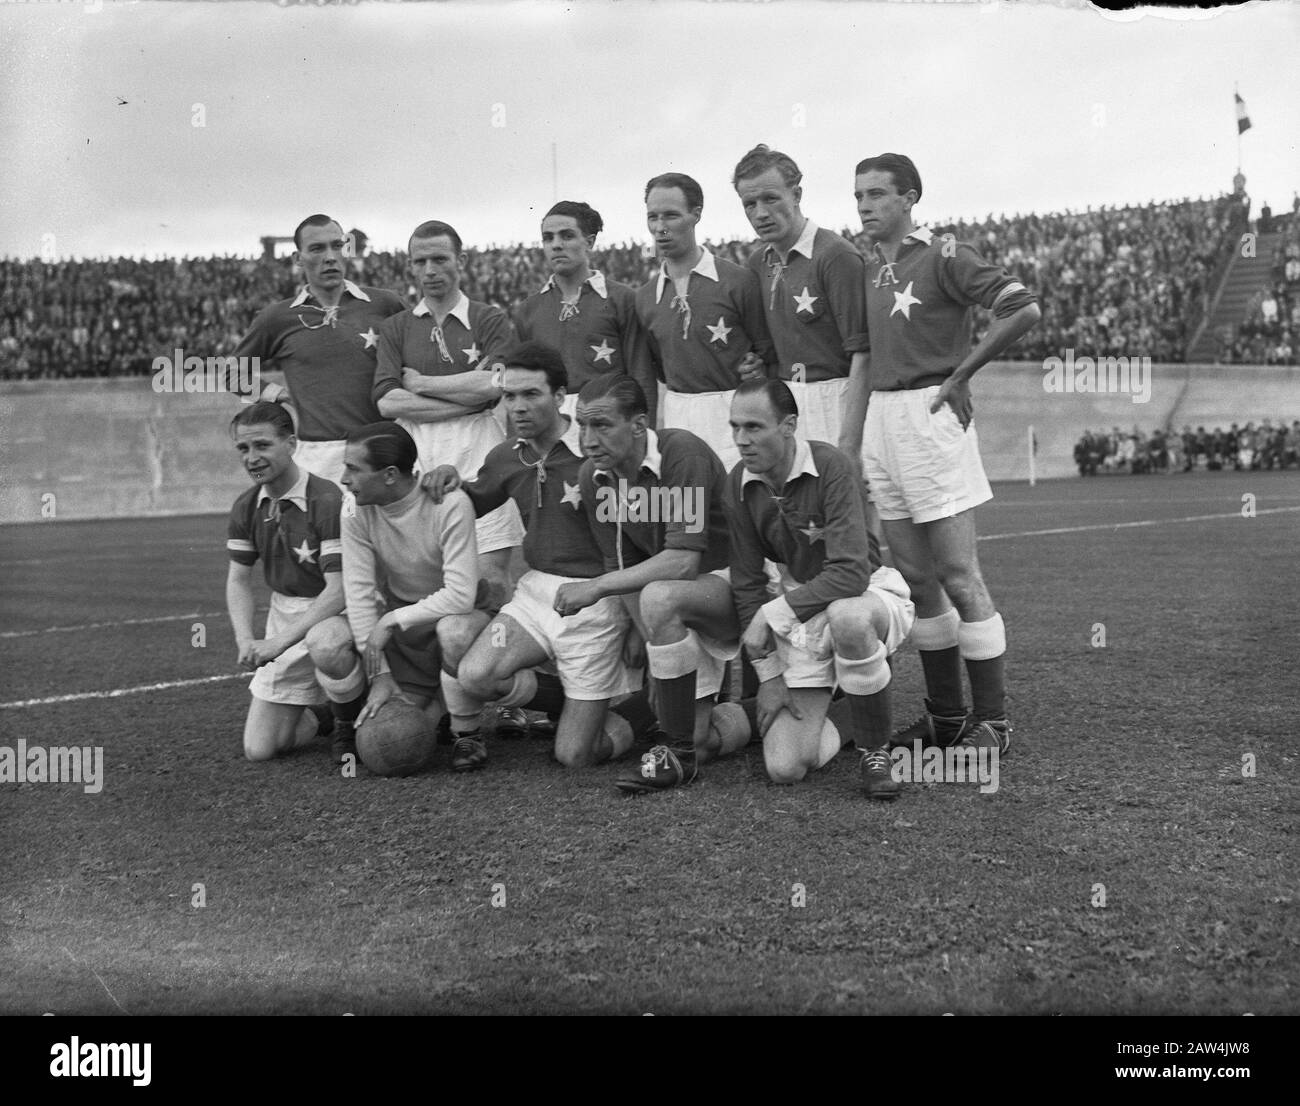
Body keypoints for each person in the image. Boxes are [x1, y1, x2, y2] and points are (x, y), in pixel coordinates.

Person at [840, 153, 1041, 755]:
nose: (865, 206)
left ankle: (995, 723)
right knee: (918, 579)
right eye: (858, 196)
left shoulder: (946, 254)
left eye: (877, 194)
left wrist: (960, 374)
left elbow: (1022, 308)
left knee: (959, 575)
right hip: (883, 418)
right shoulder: (873, 268)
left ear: (910, 198)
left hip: (930, 415)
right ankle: (948, 717)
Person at [424, 342, 647, 767]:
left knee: (574, 756)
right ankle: (573, 699)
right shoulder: (506, 455)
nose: (518, 407)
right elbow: (469, 503)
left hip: (596, 598)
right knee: (475, 675)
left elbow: (634, 543)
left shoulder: (596, 451)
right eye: (509, 396)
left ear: (561, 397)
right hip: (534, 597)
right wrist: (448, 480)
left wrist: (638, 627)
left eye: (531, 395)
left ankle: (651, 704)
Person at [724, 380, 915, 797]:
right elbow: (746, 583)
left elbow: (850, 573)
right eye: (735, 427)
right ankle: (859, 703)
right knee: (786, 767)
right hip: (803, 607)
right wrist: (770, 677)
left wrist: (769, 615)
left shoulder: (830, 465)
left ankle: (875, 750)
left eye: (754, 427)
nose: (741, 440)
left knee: (849, 620)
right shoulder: (737, 482)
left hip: (863, 594)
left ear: (789, 425)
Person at [554, 374, 738, 793]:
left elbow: (683, 561)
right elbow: (623, 561)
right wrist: (648, 638)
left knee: (660, 594)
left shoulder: (680, 453)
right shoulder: (593, 476)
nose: (588, 438)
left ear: (638, 426)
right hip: (672, 599)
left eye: (601, 425)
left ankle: (680, 747)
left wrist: (598, 587)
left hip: (732, 587)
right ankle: (730, 716)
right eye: (582, 425)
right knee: (699, 738)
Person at [301, 421, 490, 769]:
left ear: (389, 474)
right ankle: (345, 720)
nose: (344, 478)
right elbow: (357, 594)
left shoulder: (449, 502)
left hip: (455, 617)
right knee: (324, 640)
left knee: (455, 630)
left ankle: (468, 734)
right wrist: (381, 675)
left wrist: (390, 620)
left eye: (353, 469)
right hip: (406, 632)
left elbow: (461, 596)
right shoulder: (354, 508)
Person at [373, 220, 524, 609]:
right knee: (426, 588)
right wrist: (469, 396)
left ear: (462, 260)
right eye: (420, 261)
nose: (430, 270)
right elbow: (388, 402)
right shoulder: (396, 327)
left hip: (481, 458)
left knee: (490, 586)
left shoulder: (489, 319)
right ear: (410, 267)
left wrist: (422, 384)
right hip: (418, 460)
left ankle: (497, 665)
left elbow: (497, 384)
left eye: (440, 259)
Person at [233, 214, 405, 483]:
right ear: (297, 259)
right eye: (317, 248)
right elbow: (233, 374)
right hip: (320, 457)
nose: (330, 256)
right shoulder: (277, 317)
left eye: (337, 246)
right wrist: (280, 394)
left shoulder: (385, 303)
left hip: (384, 451)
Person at [224, 402, 346, 761]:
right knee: (259, 750)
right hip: (286, 612)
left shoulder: (328, 499)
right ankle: (322, 716)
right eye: (243, 449)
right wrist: (246, 638)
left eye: (262, 445)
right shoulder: (246, 506)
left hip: (339, 613)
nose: (251, 458)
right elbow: (238, 580)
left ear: (291, 444)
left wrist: (278, 642)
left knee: (329, 645)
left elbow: (339, 590)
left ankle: (348, 718)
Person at [732, 144, 870, 451]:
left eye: (771, 199)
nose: (761, 213)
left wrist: (849, 441)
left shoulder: (836, 255)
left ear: (796, 195)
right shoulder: (757, 263)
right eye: (749, 204)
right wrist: (756, 367)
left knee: (846, 496)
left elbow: (864, 354)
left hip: (837, 400)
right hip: (784, 405)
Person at [635, 172, 773, 471]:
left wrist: (756, 367)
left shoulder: (738, 281)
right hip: (679, 414)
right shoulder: (645, 298)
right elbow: (659, 367)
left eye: (671, 216)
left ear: (695, 214)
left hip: (736, 414)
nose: (660, 228)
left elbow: (766, 352)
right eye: (653, 217)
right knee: (690, 510)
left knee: (741, 505)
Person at [512, 201, 656, 420]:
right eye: (548, 238)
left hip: (607, 418)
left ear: (589, 242)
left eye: (567, 236)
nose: (556, 245)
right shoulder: (528, 310)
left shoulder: (622, 299)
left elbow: (641, 375)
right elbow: (517, 381)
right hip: (549, 422)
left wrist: (643, 435)